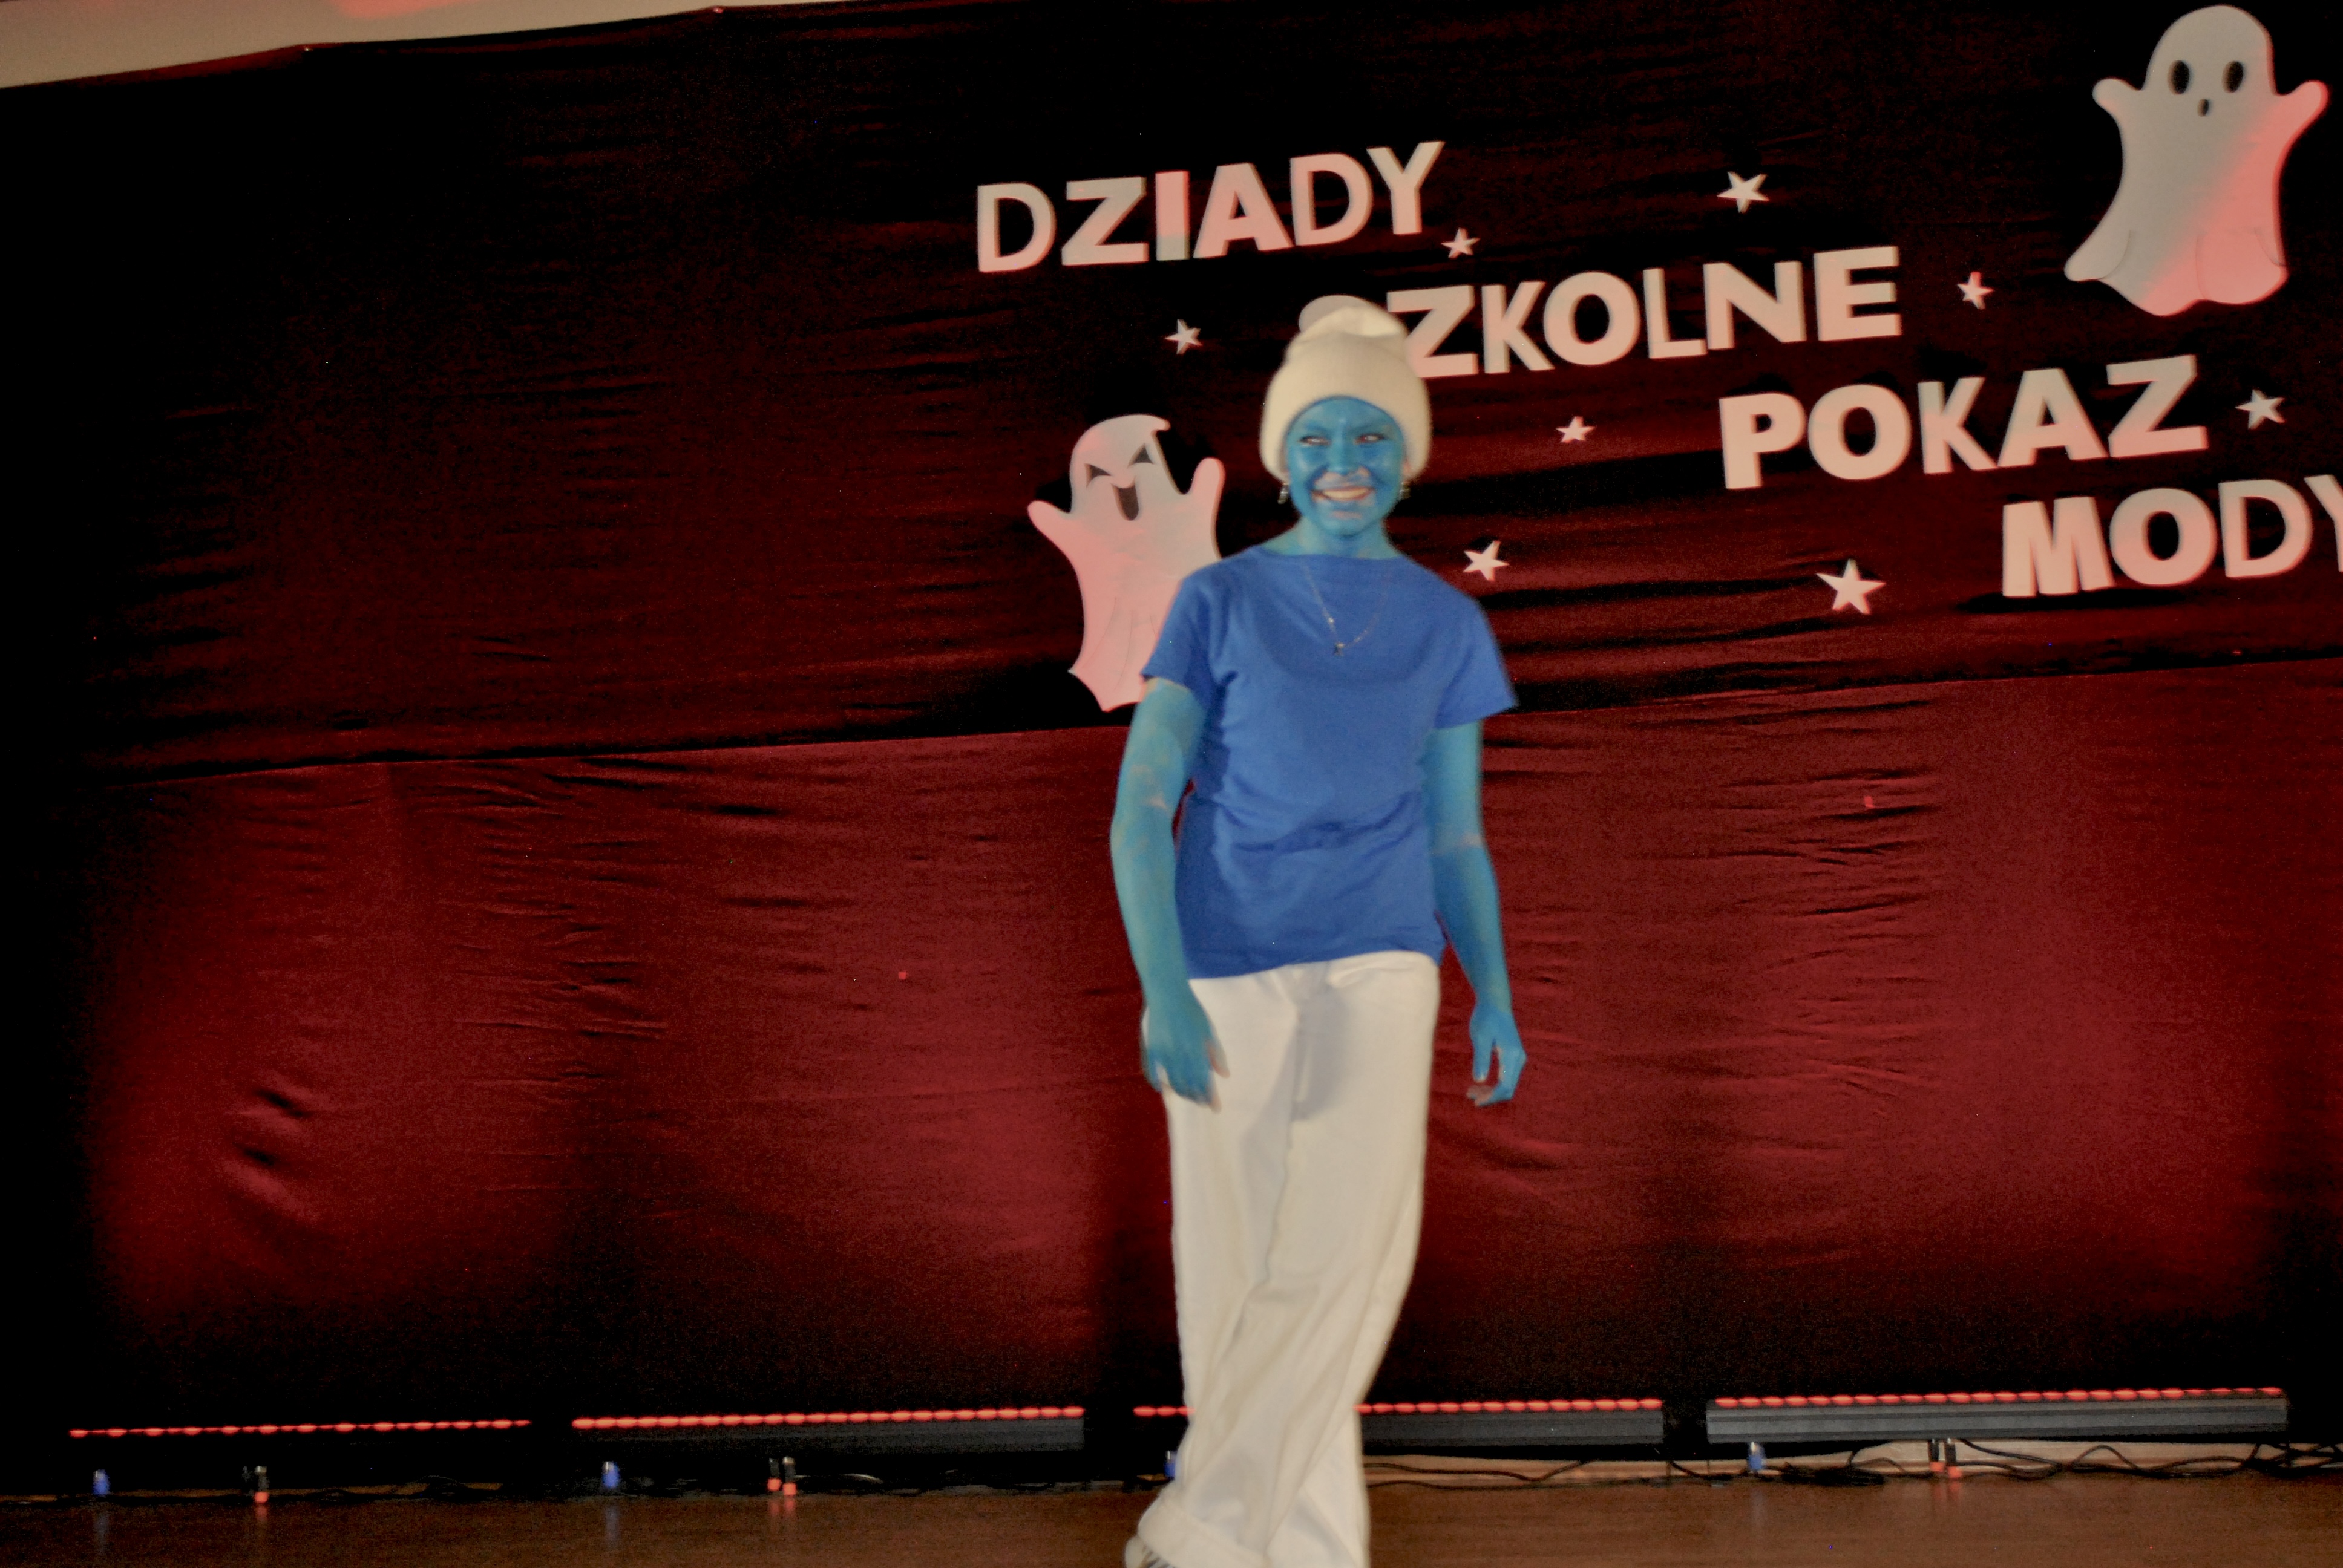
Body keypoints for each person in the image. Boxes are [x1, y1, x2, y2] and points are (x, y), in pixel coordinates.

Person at [1109, 295, 1527, 1568]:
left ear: (1409, 454)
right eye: (1317, 435)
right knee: (1232, 1269)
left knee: (1349, 1257)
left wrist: (1494, 992)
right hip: (1226, 961)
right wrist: (1161, 986)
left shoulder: (1447, 622)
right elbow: (1142, 801)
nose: (1345, 460)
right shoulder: (1218, 598)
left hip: (1382, 956)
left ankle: (1201, 1527)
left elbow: (1455, 835)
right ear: (1283, 454)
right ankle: (1300, 1548)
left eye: (1371, 434)